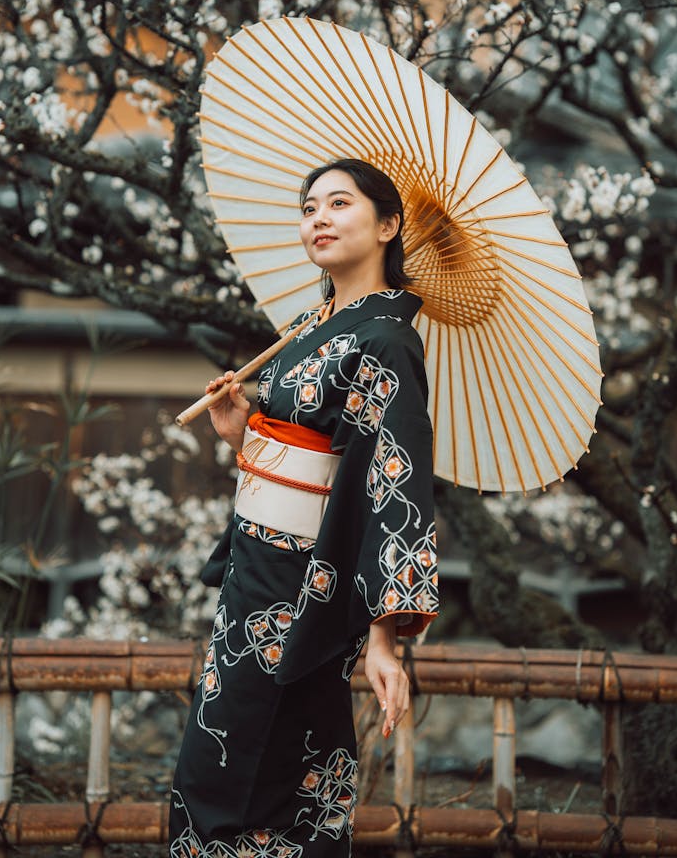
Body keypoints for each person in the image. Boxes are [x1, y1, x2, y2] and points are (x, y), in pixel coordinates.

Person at [169, 158, 438, 857]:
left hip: (305, 591)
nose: (316, 217)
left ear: (387, 225)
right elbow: (293, 460)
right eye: (308, 206)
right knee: (213, 766)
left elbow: (392, 482)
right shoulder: (307, 328)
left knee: (273, 772)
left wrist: (383, 636)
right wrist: (242, 435)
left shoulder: (385, 340)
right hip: (254, 577)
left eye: (338, 204)